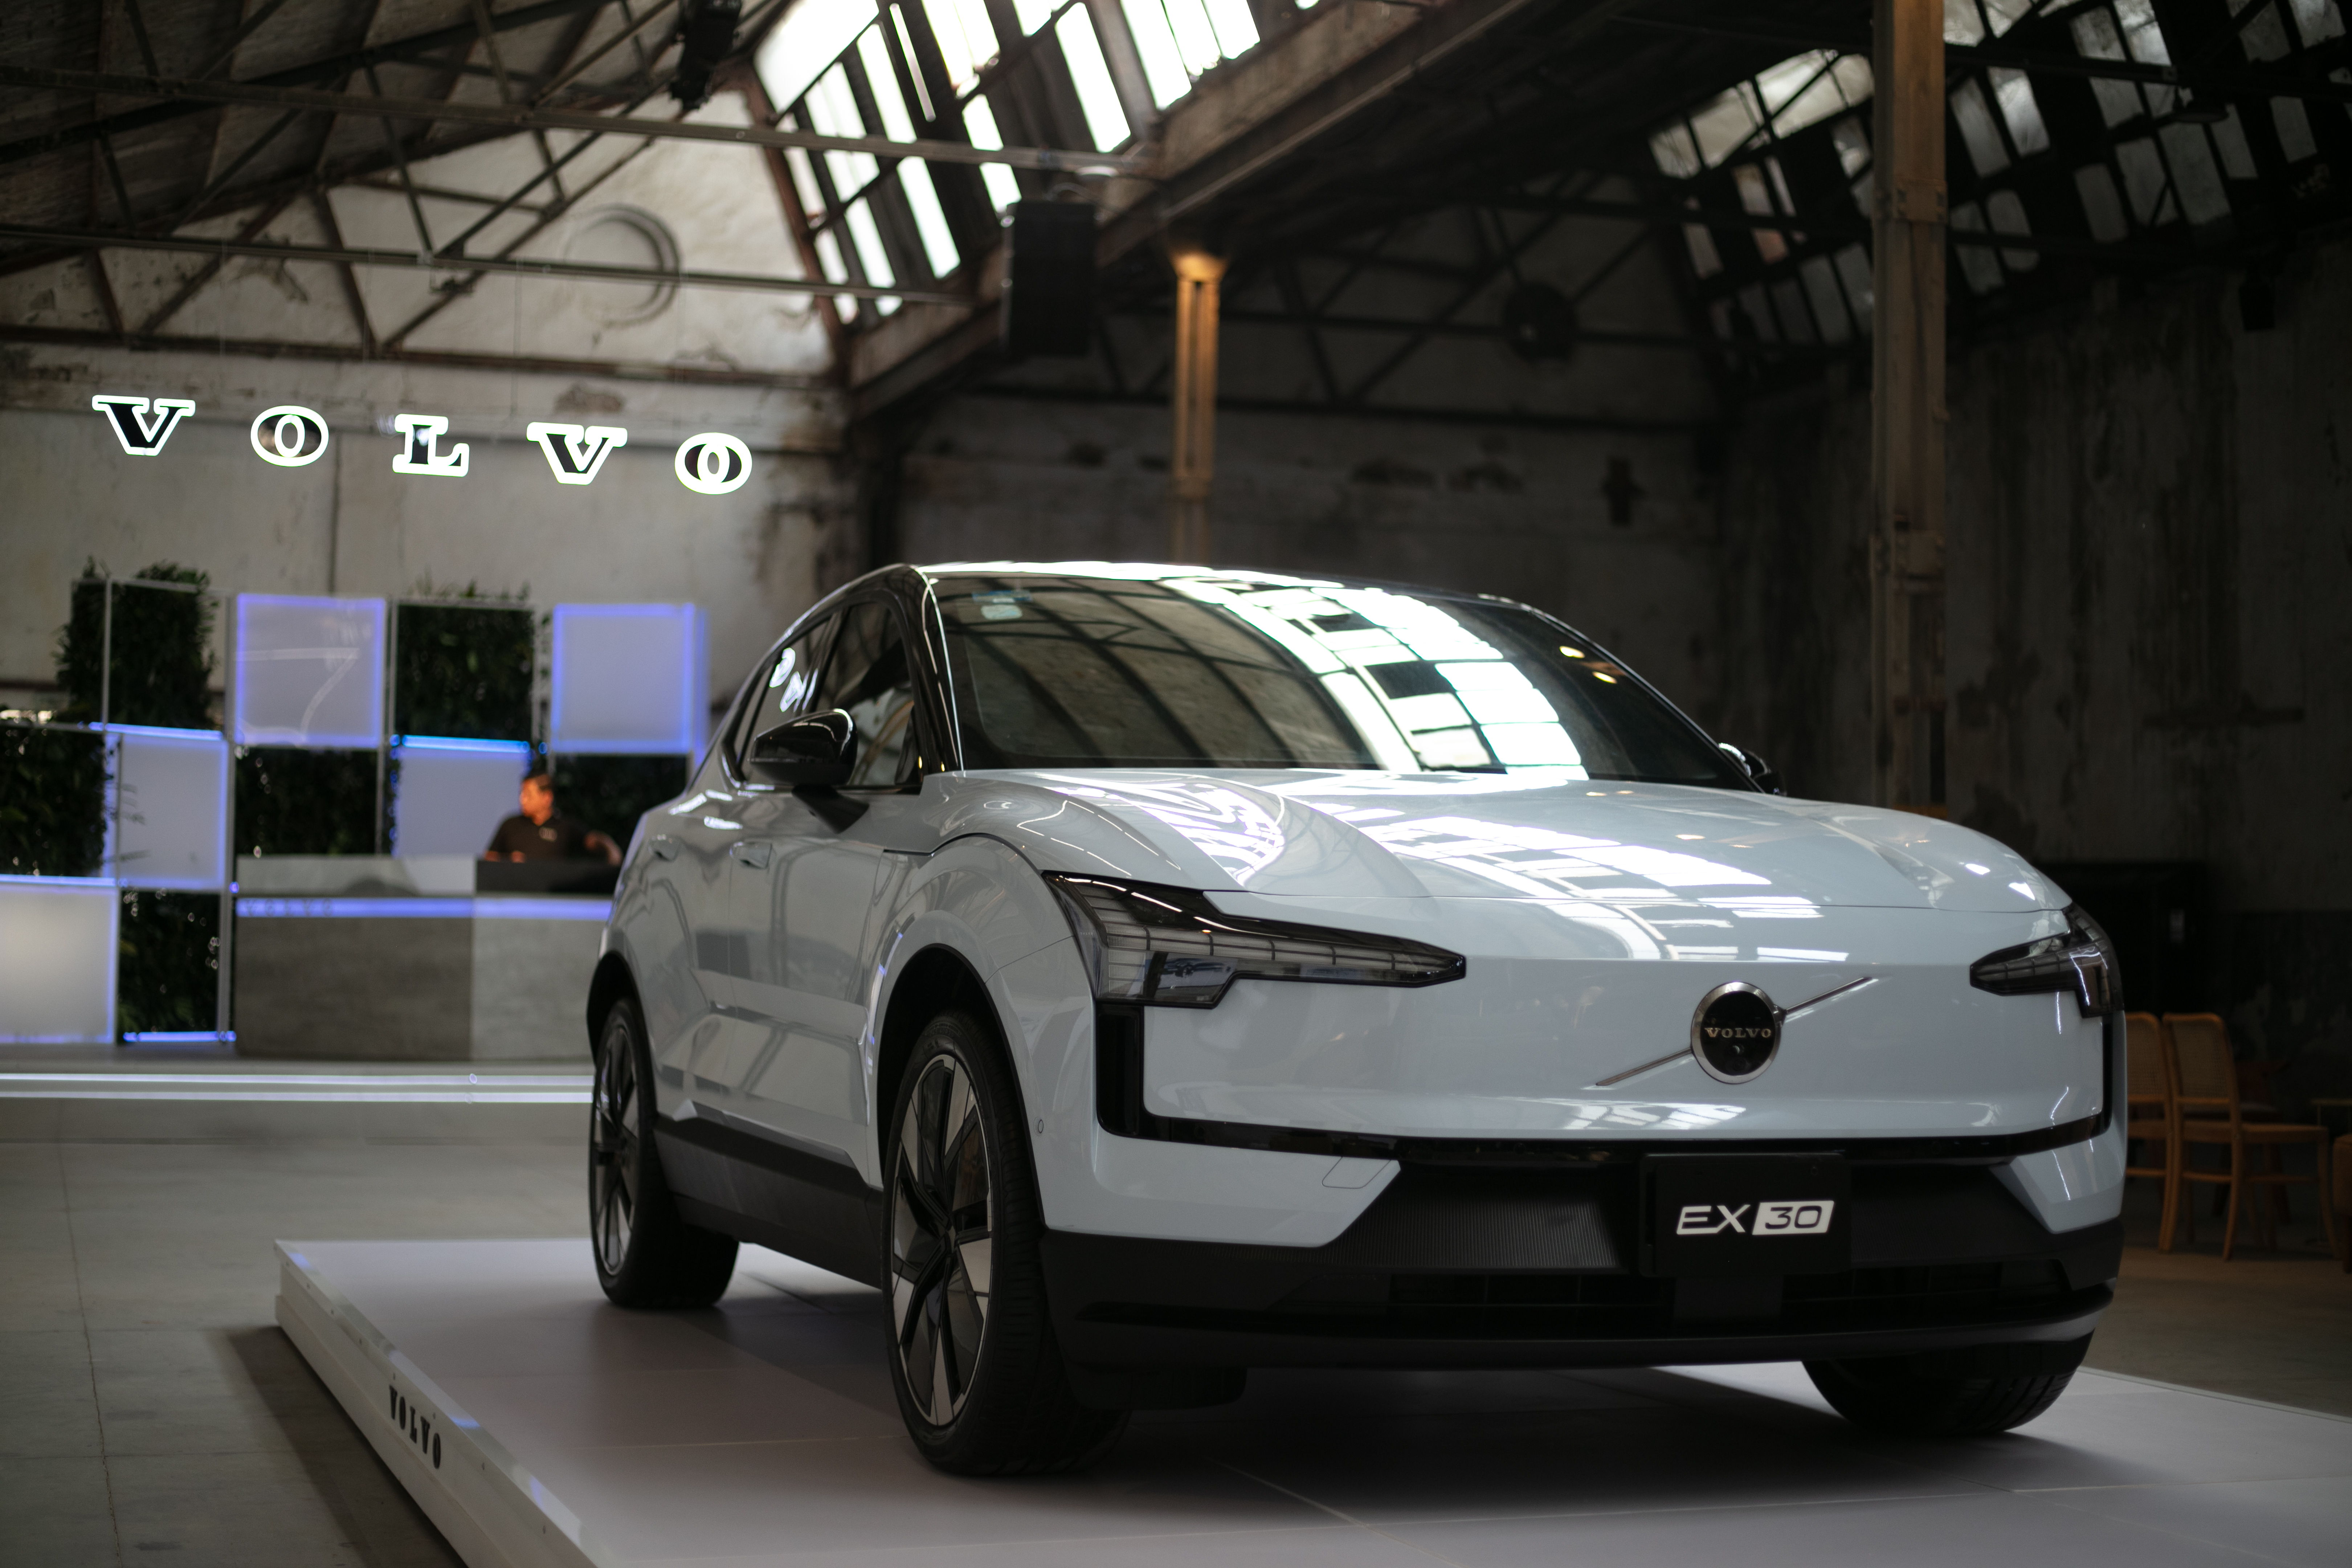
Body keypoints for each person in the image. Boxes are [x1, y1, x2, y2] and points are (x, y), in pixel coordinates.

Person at [483, 768, 620, 864]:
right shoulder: (511, 825)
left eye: (529, 795)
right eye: (522, 794)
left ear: (547, 798)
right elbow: (489, 859)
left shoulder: (565, 828)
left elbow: (591, 840)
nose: (522, 800)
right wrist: (508, 861)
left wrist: (610, 848)